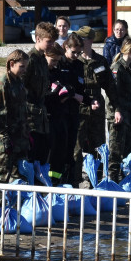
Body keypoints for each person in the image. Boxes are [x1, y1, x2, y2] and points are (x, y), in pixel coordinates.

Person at [73, 25, 115, 166]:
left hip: (97, 105)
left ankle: (96, 180)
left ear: (90, 40)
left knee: (98, 144)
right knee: (76, 145)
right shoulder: (74, 60)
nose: (77, 40)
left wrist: (117, 108)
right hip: (78, 105)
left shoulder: (100, 61)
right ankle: (76, 181)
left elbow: (110, 86)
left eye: (81, 38)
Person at [46, 37, 85, 186]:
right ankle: (54, 183)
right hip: (56, 114)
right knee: (54, 153)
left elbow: (81, 89)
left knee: (68, 151)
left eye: (79, 53)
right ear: (66, 48)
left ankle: (68, 183)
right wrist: (62, 95)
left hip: (71, 113)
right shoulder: (55, 66)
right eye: (74, 52)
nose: (76, 56)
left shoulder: (78, 66)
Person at [0, 49, 30, 188]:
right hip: (6, 137)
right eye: (22, 66)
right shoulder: (3, 83)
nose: (24, 70)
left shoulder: (19, 82)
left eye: (26, 67)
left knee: (20, 174)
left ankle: (16, 205)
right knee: (3, 176)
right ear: (12, 64)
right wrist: (4, 137)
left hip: (20, 135)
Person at [106, 38, 131, 183]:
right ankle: (112, 182)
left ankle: (123, 181)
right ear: (130, 51)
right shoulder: (117, 68)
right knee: (115, 152)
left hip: (129, 115)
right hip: (118, 115)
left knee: (127, 151)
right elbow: (112, 94)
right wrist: (117, 111)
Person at [24, 22, 55, 165]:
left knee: (43, 155)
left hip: (42, 116)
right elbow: (21, 88)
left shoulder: (43, 59)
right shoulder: (29, 60)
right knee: (32, 156)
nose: (51, 45)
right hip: (30, 117)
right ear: (38, 39)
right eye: (48, 42)